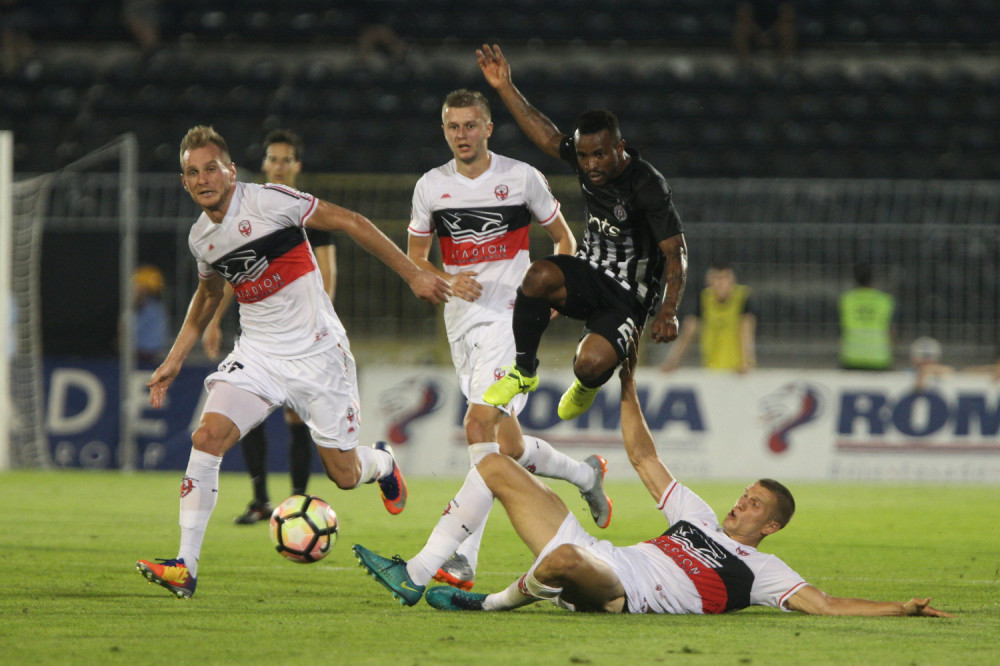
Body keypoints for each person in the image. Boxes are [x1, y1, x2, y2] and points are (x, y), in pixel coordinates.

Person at [353, 347, 952, 618]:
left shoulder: (764, 573)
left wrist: (898, 608)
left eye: (754, 504)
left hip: (620, 595)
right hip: (603, 555)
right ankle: (421, 573)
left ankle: (486, 603)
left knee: (562, 557)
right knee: (491, 464)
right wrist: (630, 382)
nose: (740, 503)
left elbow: (826, 605)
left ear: (770, 526)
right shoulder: (696, 517)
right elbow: (643, 457)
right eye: (745, 494)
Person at [136, 125, 450, 599]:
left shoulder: (270, 201)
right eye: (192, 172)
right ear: (184, 182)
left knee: (343, 476)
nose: (203, 179)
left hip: (318, 353)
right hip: (259, 354)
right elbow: (208, 294)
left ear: (231, 170)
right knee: (207, 437)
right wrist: (175, 358)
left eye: (211, 168)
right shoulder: (202, 238)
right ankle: (186, 566)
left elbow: (353, 222)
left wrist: (412, 273)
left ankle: (382, 463)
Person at [398, 88, 613, 592]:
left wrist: (557, 292)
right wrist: (447, 281)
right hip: (462, 322)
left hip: (511, 321)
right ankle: (584, 476)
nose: (462, 135)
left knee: (479, 425)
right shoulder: (431, 187)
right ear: (444, 130)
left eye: (471, 125)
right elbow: (415, 259)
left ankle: (461, 556)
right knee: (508, 444)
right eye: (453, 127)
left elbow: (565, 239)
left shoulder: (521, 178)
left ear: (489, 128)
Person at [475, 44, 688, 421]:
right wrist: (504, 86)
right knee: (537, 276)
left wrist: (668, 310)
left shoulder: (647, 185)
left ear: (619, 148)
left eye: (599, 155)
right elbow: (545, 136)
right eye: (584, 155)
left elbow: (676, 252)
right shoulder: (585, 156)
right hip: (589, 272)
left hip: (628, 296)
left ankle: (586, 384)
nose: (589, 164)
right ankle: (523, 371)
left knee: (588, 364)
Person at [201, 129, 338, 525]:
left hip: (301, 337)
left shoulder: (310, 214)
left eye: (285, 160)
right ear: (264, 164)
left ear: (296, 166)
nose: (278, 166)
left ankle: (296, 503)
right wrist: (214, 322)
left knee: (298, 419)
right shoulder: (251, 211)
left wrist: (317, 326)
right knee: (249, 412)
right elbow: (236, 275)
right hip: (260, 336)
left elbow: (327, 275)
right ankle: (260, 499)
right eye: (272, 159)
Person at [660, 261, 756, 374]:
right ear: (709, 281)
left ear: (732, 281)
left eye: (724, 278)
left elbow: (746, 330)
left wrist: (747, 362)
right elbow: (688, 331)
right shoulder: (704, 299)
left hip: (738, 371)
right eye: (717, 278)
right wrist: (672, 361)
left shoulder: (742, 298)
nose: (720, 283)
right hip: (710, 368)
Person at [839, 262, 895, 371]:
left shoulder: (847, 299)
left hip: (852, 355)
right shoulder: (884, 299)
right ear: (872, 279)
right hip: (878, 356)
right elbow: (890, 329)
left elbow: (842, 327)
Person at [733, 1, 797, 65]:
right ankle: (744, 63)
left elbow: (785, 16)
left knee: (786, 29)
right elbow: (744, 16)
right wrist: (759, 34)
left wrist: (769, 33)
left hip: (775, 28)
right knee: (740, 29)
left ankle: (784, 63)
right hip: (754, 28)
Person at [132, 264, 169, 366]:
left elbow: (127, 333)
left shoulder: (152, 309)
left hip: (145, 357)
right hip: (143, 356)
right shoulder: (153, 306)